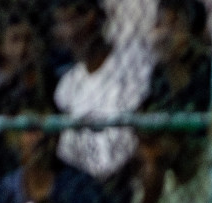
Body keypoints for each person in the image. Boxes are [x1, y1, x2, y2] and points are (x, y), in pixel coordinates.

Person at [52, 0, 154, 184]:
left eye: (71, 20)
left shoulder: (132, 63)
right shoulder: (68, 85)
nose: (68, 32)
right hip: (84, 186)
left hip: (128, 180)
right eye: (62, 23)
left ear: (94, 18)